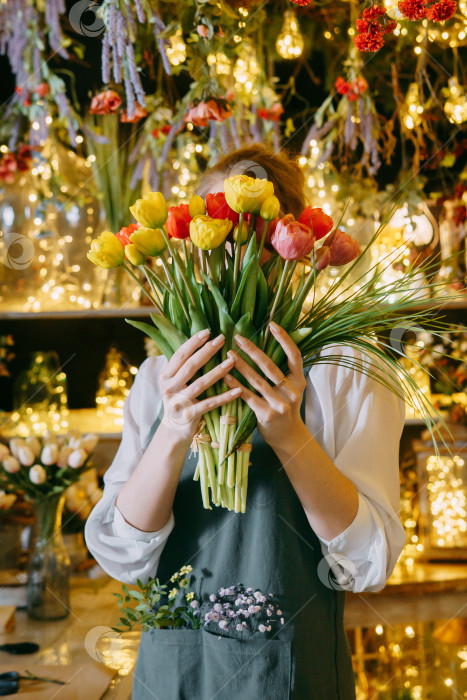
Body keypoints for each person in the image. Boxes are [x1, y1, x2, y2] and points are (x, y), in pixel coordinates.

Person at [85, 144, 406, 699]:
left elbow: (367, 564)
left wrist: (290, 436)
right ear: (190, 243)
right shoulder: (165, 372)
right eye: (216, 224)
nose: (234, 249)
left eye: (251, 230)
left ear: (293, 243)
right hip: (174, 677)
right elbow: (122, 555)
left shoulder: (349, 373)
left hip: (289, 677)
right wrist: (173, 430)